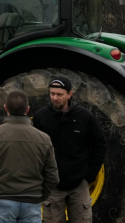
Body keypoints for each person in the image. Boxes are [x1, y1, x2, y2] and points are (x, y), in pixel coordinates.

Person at [0, 91, 59, 223]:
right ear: (27, 109)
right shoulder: (43, 138)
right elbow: (53, 176)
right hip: (32, 202)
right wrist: (39, 196)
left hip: (2, 199)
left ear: (5, 108)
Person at [33, 76, 106, 223]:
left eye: (59, 94)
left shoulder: (85, 117)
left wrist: (89, 176)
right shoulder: (41, 117)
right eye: (52, 93)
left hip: (79, 185)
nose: (54, 98)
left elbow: (100, 146)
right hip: (52, 187)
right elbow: (33, 150)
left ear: (69, 94)